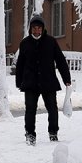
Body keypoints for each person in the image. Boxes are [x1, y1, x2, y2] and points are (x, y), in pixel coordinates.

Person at [14, 15, 71, 145]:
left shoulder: (51, 42)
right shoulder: (25, 43)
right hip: (30, 83)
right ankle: (30, 134)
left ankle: (53, 133)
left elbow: (60, 61)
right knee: (30, 110)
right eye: (34, 28)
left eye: (39, 28)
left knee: (52, 109)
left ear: (43, 29)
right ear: (31, 29)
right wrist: (19, 82)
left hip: (48, 82)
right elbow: (20, 65)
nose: (37, 30)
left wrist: (66, 79)